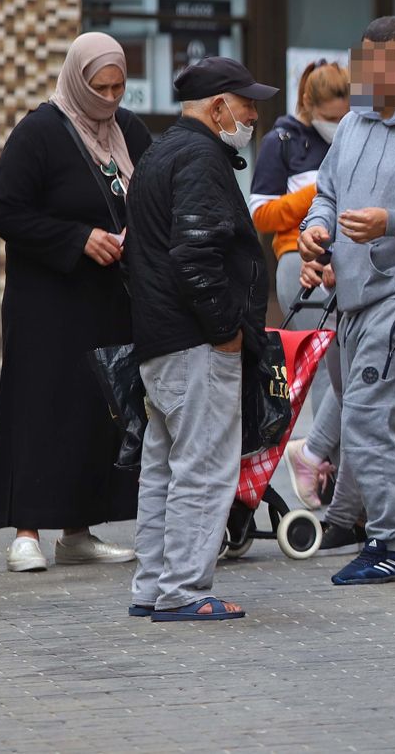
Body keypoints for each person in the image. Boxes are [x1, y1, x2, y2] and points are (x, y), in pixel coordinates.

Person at [124, 56, 278, 621]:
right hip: (195, 342)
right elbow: (195, 253)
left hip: (162, 339)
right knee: (203, 467)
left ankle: (153, 587)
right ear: (217, 107)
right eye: (246, 104)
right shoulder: (199, 157)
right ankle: (184, 590)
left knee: (164, 468)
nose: (253, 116)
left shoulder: (160, 152)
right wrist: (226, 332)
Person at [0, 32, 147, 572]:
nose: (110, 98)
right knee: (40, 406)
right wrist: (78, 238)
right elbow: (6, 212)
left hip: (106, 301)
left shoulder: (128, 131)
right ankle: (25, 532)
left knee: (94, 412)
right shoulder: (39, 133)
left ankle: (78, 530)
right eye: (100, 88)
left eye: (118, 87)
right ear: (77, 81)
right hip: (47, 305)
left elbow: (152, 194)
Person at [296, 16, 395, 586]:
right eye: (366, 62)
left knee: (366, 415)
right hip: (350, 298)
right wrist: (315, 230)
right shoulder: (353, 121)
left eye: (386, 64)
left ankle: (388, 545)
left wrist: (392, 222)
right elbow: (326, 193)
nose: (373, 75)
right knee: (387, 422)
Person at [250, 60, 350, 510]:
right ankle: (323, 465)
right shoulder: (283, 141)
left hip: (345, 263)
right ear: (310, 105)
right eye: (330, 116)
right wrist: (319, 192)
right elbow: (261, 214)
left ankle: (330, 468)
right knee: (328, 372)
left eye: (344, 114)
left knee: (348, 370)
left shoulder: (352, 134)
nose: (337, 122)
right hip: (299, 260)